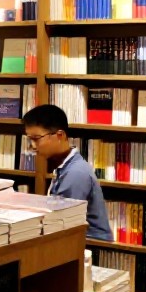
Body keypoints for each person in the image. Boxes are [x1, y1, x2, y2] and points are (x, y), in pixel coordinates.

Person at [22, 103, 112, 241]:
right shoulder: (66, 165)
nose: (32, 146)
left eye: (36, 139)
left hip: (89, 247)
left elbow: (63, 224)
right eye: (29, 139)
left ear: (59, 135)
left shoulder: (75, 173)